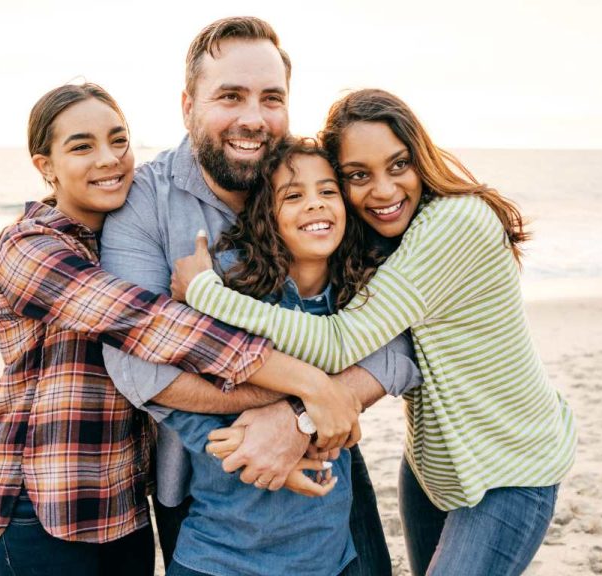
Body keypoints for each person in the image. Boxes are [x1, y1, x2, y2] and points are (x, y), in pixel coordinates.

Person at [172, 89, 578, 576]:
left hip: (511, 465)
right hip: (434, 469)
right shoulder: (388, 238)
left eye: (398, 165)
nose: (382, 191)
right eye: (358, 176)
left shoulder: (454, 222)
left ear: (420, 157)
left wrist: (205, 292)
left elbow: (341, 342)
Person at [0, 82, 361, 576]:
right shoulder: (28, 249)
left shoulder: (116, 237)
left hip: (125, 503)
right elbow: (150, 324)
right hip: (45, 505)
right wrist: (310, 388)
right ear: (44, 166)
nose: (109, 159)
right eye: (82, 146)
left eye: (119, 140)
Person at [100, 18, 419, 575]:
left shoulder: (324, 188)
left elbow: (400, 341)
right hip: (208, 491)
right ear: (187, 105)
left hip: (327, 465)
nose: (253, 117)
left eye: (272, 98)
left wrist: (298, 419)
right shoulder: (144, 204)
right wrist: (300, 399)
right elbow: (136, 366)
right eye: (230, 96)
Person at [163, 137, 420, 576]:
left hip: (328, 551)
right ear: (266, 212)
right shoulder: (229, 282)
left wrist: (305, 419)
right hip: (222, 548)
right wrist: (235, 445)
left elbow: (399, 361)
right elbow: (174, 383)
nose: (315, 205)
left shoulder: (363, 296)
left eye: (327, 191)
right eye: (294, 196)